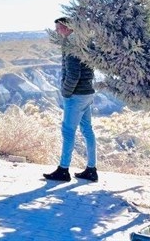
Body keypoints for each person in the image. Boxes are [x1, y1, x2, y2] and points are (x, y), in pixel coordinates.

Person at [44, 17, 98, 183]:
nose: (57, 32)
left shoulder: (72, 46)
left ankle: (63, 170)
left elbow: (74, 74)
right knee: (87, 130)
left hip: (76, 95)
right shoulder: (84, 42)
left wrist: (66, 93)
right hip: (88, 92)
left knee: (68, 132)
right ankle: (91, 169)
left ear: (67, 28)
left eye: (59, 28)